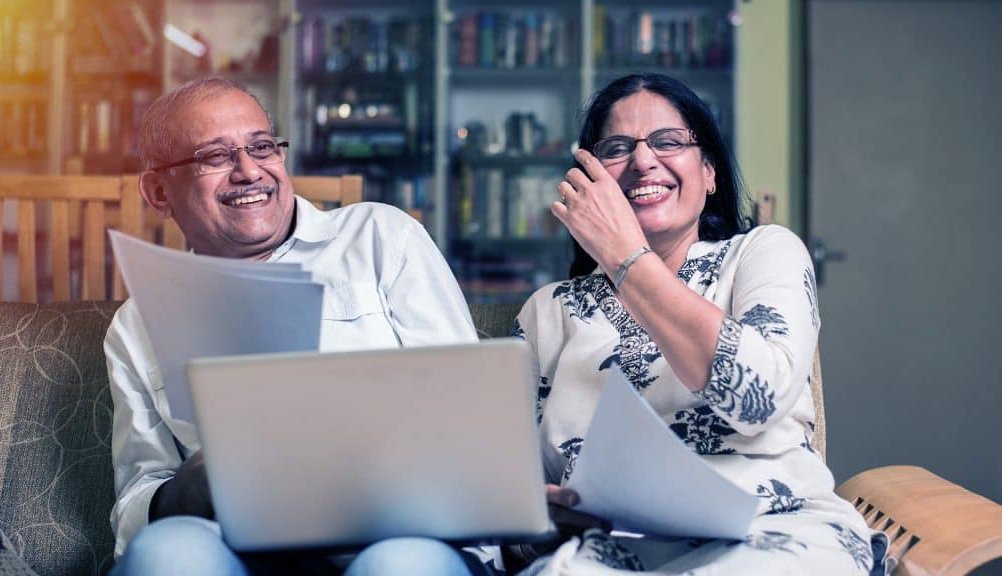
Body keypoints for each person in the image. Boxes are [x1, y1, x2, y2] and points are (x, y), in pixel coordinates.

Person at [105, 77, 494, 576]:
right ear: (159, 190)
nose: (249, 172)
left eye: (262, 147)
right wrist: (192, 485)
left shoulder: (380, 239)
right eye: (216, 157)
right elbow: (137, 499)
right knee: (168, 554)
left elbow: (469, 412)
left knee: (398, 566)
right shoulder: (137, 325)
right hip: (243, 549)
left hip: (404, 534)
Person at [510, 73, 877, 575]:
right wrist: (544, 512)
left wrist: (625, 258)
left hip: (775, 531)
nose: (643, 161)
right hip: (609, 551)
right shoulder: (547, 311)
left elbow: (756, 396)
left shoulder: (763, 254)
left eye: (668, 141)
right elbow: (510, 494)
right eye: (617, 148)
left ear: (709, 173)